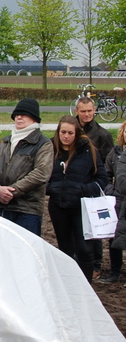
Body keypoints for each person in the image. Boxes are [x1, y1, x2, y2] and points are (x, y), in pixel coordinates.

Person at [46, 116, 108, 282]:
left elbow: (102, 178)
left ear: (77, 134)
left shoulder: (89, 151)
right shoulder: (50, 150)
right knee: (65, 249)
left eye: (70, 133)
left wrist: (83, 189)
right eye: (63, 132)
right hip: (58, 206)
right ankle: (70, 284)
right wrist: (52, 188)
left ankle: (86, 284)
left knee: (84, 249)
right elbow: (42, 178)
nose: (66, 136)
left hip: (81, 207)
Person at [0, 99, 53, 236]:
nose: (19, 117)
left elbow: (41, 173)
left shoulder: (43, 144)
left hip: (28, 209)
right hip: (4, 206)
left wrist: (12, 192)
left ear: (34, 118)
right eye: (16, 114)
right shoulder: (7, 141)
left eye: (24, 114)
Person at [75, 97, 115, 278]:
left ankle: (96, 265)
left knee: (94, 227)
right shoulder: (70, 130)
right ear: (77, 111)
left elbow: (108, 165)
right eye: (83, 111)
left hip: (92, 187)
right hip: (73, 187)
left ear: (94, 111)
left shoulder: (102, 135)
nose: (86, 114)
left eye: (89, 111)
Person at [103, 123, 126, 284]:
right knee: (114, 237)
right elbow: (106, 176)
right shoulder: (115, 153)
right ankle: (115, 271)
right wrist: (113, 192)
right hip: (117, 201)